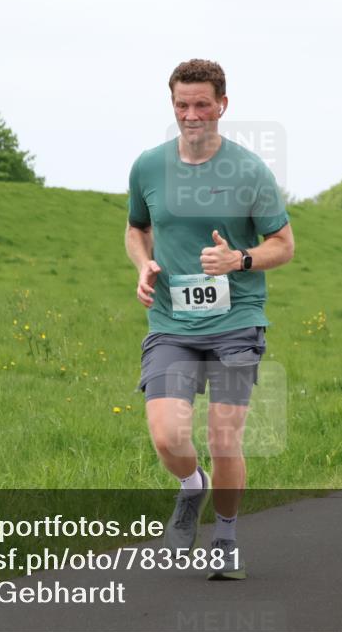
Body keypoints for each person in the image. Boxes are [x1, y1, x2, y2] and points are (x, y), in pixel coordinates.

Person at [125, 59, 294, 579]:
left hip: (236, 318)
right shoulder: (149, 166)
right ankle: (189, 485)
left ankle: (224, 536)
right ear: (172, 105)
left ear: (223, 105)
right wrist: (144, 264)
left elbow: (283, 246)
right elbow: (137, 229)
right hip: (172, 322)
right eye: (182, 105)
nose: (192, 115)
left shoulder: (249, 170)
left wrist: (238, 260)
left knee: (225, 438)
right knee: (166, 438)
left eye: (202, 104)